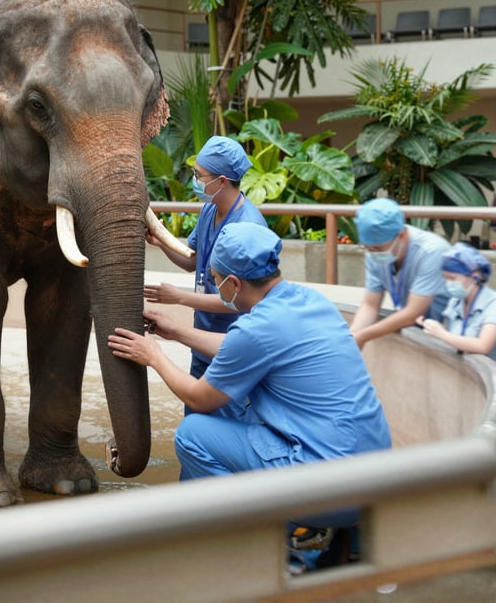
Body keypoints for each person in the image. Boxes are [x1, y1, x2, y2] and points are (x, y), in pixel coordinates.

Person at [110, 223, 391, 566]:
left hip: (328, 490)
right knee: (247, 417)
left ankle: (271, 538)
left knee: (193, 434)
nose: (217, 287)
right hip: (376, 479)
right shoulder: (309, 301)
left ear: (234, 284)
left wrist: (153, 356)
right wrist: (178, 332)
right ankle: (336, 533)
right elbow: (240, 348)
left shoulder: (256, 327)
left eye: (216, 280)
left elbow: (200, 397)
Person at [144, 135, 267, 379]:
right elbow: (193, 262)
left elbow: (240, 300)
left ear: (221, 181)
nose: (195, 181)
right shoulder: (210, 210)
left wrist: (180, 298)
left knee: (225, 413)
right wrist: (161, 242)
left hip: (233, 342)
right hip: (202, 338)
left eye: (199, 176)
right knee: (198, 411)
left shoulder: (249, 227)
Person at [350, 197, 450, 350]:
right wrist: (351, 338)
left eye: (378, 249)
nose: (373, 254)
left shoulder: (431, 251)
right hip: (426, 334)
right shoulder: (373, 254)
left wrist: (362, 336)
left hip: (460, 334)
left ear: (401, 235)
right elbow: (370, 305)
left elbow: (412, 313)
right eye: (367, 248)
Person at [416, 242, 496, 361]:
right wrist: (430, 328)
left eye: (453, 278)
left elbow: (483, 346)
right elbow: (452, 340)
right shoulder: (455, 301)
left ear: (475, 275)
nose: (448, 284)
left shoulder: (495, 304)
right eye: (445, 278)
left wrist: (442, 334)